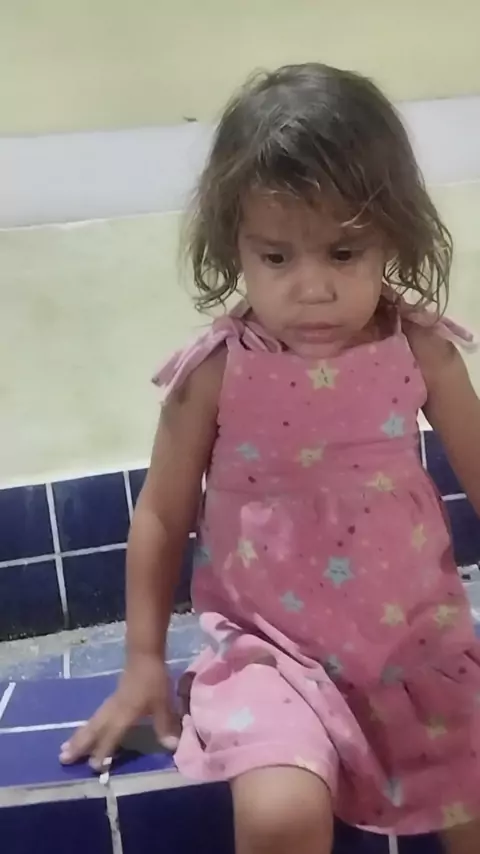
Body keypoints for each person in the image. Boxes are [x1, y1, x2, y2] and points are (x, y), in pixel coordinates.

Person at [60, 63, 480, 853]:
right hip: (270, 655)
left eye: (343, 253)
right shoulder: (218, 372)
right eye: (277, 257)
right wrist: (143, 661)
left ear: (392, 237)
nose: (311, 288)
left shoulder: (420, 350)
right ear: (236, 247)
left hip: (415, 651)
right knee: (280, 815)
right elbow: (161, 514)